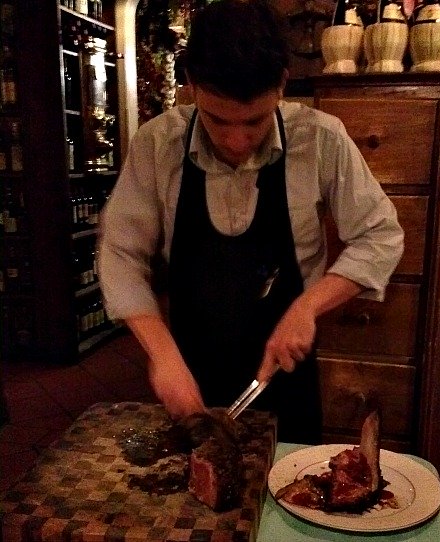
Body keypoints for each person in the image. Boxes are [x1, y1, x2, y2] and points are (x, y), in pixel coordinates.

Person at [97, 0, 404, 445]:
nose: (237, 140)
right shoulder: (156, 144)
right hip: (188, 371)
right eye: (218, 120)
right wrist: (160, 354)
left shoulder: (320, 138)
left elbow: (380, 236)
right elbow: (121, 252)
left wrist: (307, 307)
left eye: (255, 121)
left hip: (286, 375)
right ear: (191, 85)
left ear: (281, 84)